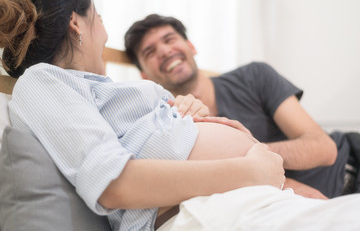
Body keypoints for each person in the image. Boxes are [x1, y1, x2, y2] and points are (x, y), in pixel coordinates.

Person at [2, 0, 360, 231]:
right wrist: (252, 168)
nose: (105, 33)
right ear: (76, 26)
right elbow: (114, 184)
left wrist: (185, 116)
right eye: (99, 19)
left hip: (240, 198)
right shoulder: (40, 81)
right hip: (208, 209)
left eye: (170, 40)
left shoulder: (97, 92)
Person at [124, 14, 360, 199]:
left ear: (191, 46)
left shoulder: (254, 76)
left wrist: (247, 157)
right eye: (150, 52)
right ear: (145, 75)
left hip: (351, 160)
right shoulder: (167, 126)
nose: (165, 51)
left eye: (169, 39)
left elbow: (324, 149)